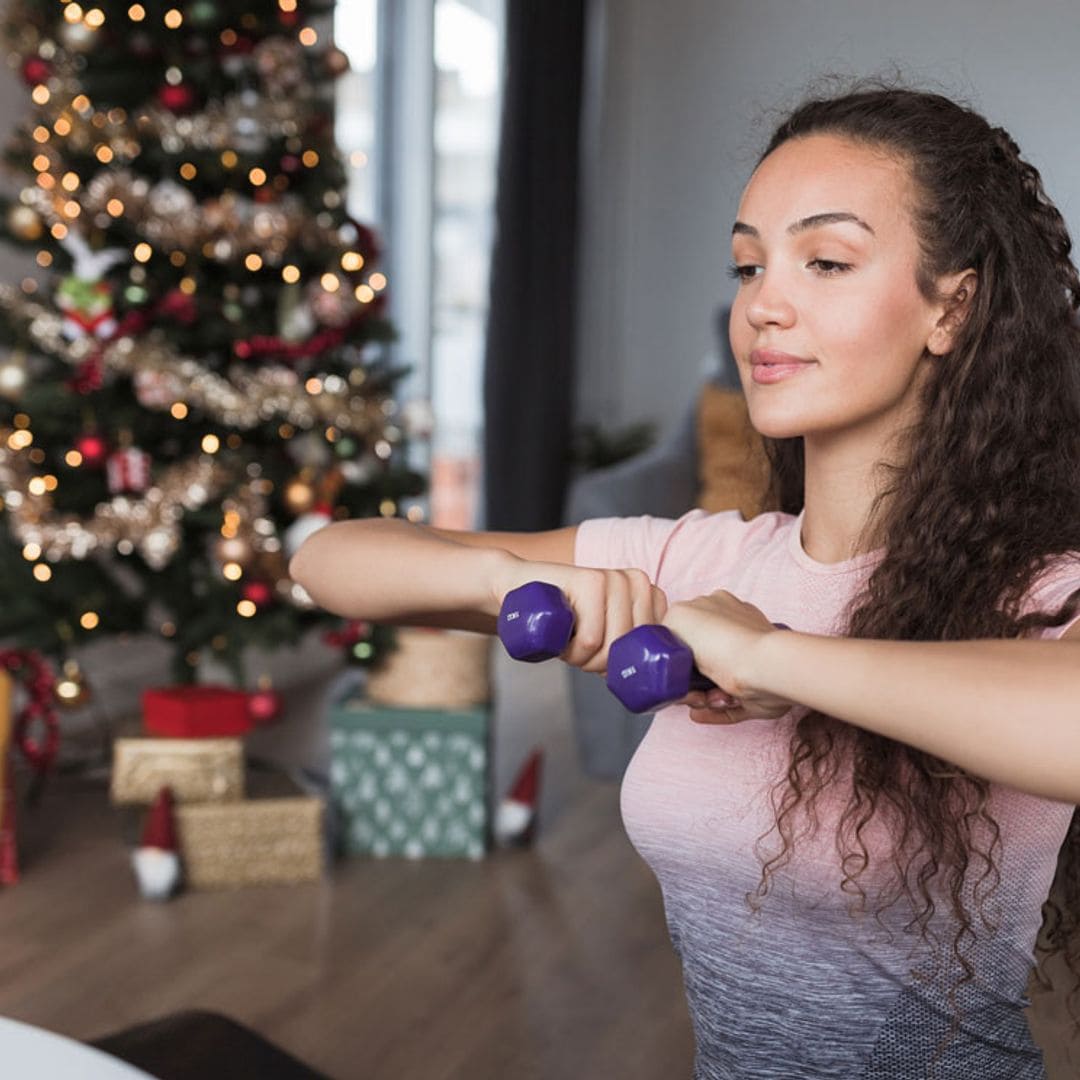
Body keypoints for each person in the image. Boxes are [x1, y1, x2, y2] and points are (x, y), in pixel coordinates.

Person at [289, 83, 1080, 1078]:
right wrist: (501, 580)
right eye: (748, 264)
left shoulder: (1045, 593)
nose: (763, 304)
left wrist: (773, 656)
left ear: (951, 307)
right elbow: (327, 562)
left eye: (825, 261)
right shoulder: (697, 560)